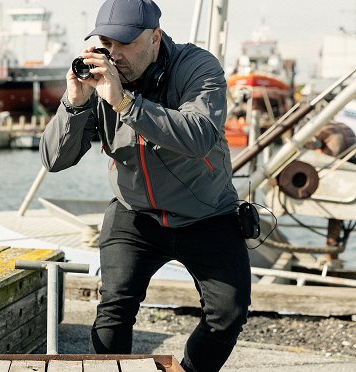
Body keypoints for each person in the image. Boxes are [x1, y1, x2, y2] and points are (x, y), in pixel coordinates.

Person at [39, 1, 251, 371]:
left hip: (207, 213)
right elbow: (55, 160)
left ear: (154, 38)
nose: (113, 53)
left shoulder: (198, 67)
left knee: (228, 314)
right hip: (134, 214)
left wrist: (124, 101)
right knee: (114, 311)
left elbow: (199, 136)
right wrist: (74, 104)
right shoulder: (98, 80)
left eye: (124, 43)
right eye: (106, 42)